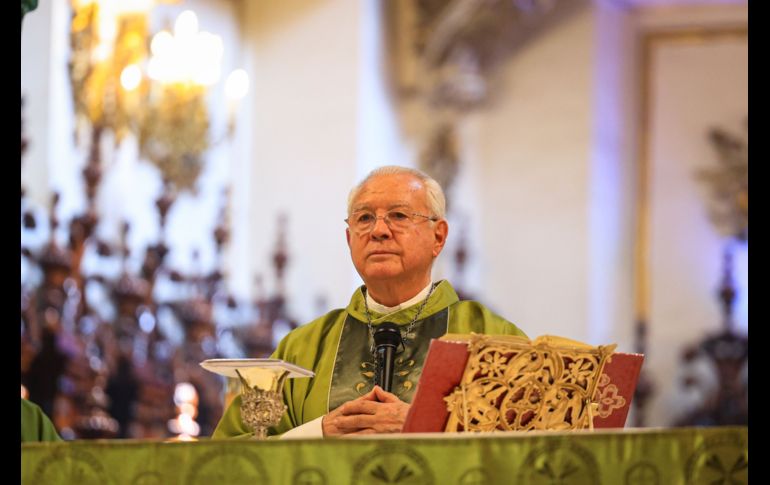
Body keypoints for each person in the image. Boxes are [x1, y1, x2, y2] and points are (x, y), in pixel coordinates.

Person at [213, 166, 526, 438]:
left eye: (399, 216)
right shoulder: (302, 348)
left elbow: (537, 439)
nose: (379, 231)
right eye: (364, 218)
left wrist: (428, 426)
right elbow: (235, 455)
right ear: (350, 239)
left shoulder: (492, 339)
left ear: (439, 237)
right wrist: (320, 431)